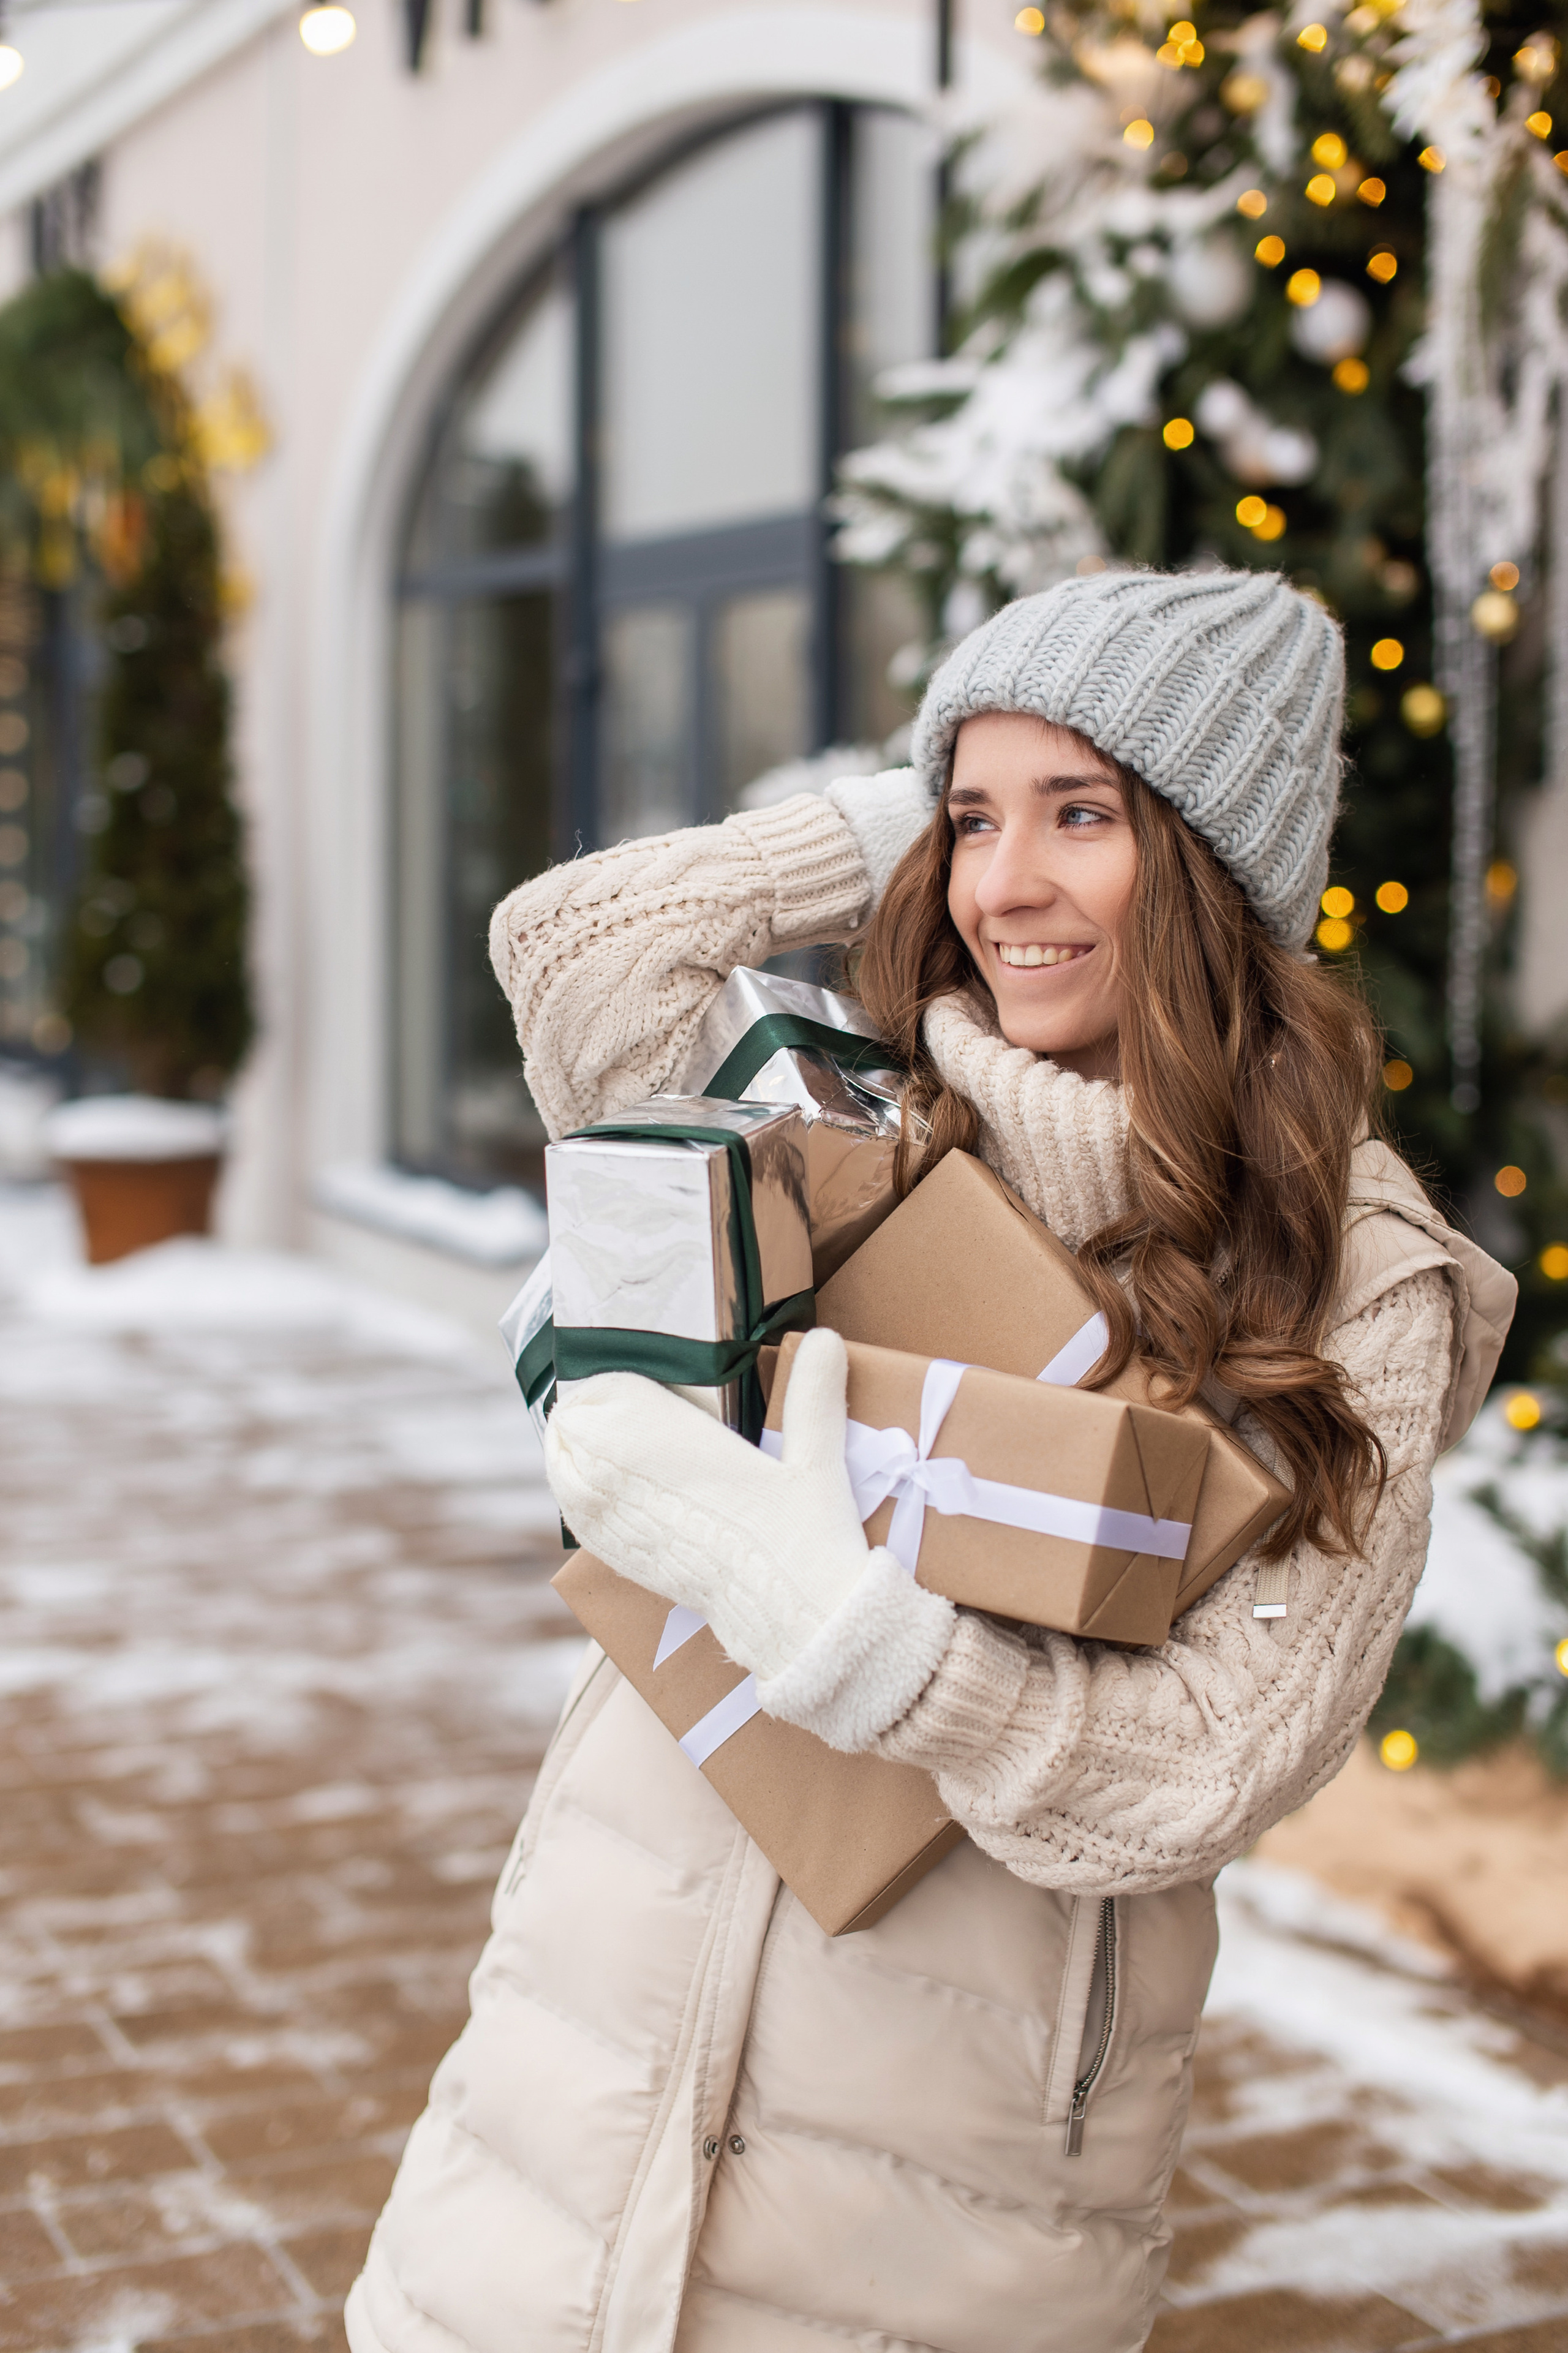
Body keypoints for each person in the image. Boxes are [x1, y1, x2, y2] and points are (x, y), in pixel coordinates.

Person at [347, 567, 1514, 2353]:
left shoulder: (1343, 1270)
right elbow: (575, 946)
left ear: (1212, 864)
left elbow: (1209, 1769)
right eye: (977, 822)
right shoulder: (843, 1103)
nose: (1005, 885)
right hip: (581, 2099)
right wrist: (920, 792)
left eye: (1087, 817)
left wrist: (849, 1628)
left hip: (934, 2200)